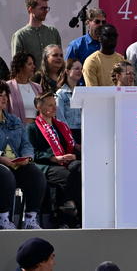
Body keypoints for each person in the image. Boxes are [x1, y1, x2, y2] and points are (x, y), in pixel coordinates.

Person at [28, 92, 82, 227]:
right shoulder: (32, 128)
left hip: (65, 160)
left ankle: (76, 210)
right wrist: (53, 158)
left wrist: (74, 155)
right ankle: (66, 212)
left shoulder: (60, 126)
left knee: (81, 169)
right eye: (50, 105)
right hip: (46, 164)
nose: (54, 108)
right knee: (67, 176)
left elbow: (70, 145)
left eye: (55, 104)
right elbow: (32, 152)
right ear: (39, 107)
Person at [0, 82, 46, 230]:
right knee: (6, 176)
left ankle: (31, 219)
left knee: (35, 174)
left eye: (5, 95)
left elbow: (26, 144)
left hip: (16, 163)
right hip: (2, 164)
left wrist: (27, 158)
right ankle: (3, 219)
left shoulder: (14, 120)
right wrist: (2, 158)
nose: (4, 98)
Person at [11, 0, 61, 67]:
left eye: (47, 8)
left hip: (53, 78)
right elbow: (17, 66)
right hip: (31, 78)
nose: (46, 11)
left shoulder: (53, 32)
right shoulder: (20, 36)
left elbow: (60, 59)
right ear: (31, 9)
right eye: (42, 8)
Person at [7, 52, 43, 124]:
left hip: (37, 130)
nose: (34, 66)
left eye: (33, 64)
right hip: (17, 130)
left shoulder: (38, 87)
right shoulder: (8, 86)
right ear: (20, 67)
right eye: (29, 64)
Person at [55, 58, 83, 143]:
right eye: (76, 69)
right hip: (69, 133)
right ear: (67, 71)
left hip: (83, 132)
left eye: (81, 69)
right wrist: (71, 140)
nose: (80, 71)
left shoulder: (82, 92)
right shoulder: (61, 94)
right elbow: (60, 119)